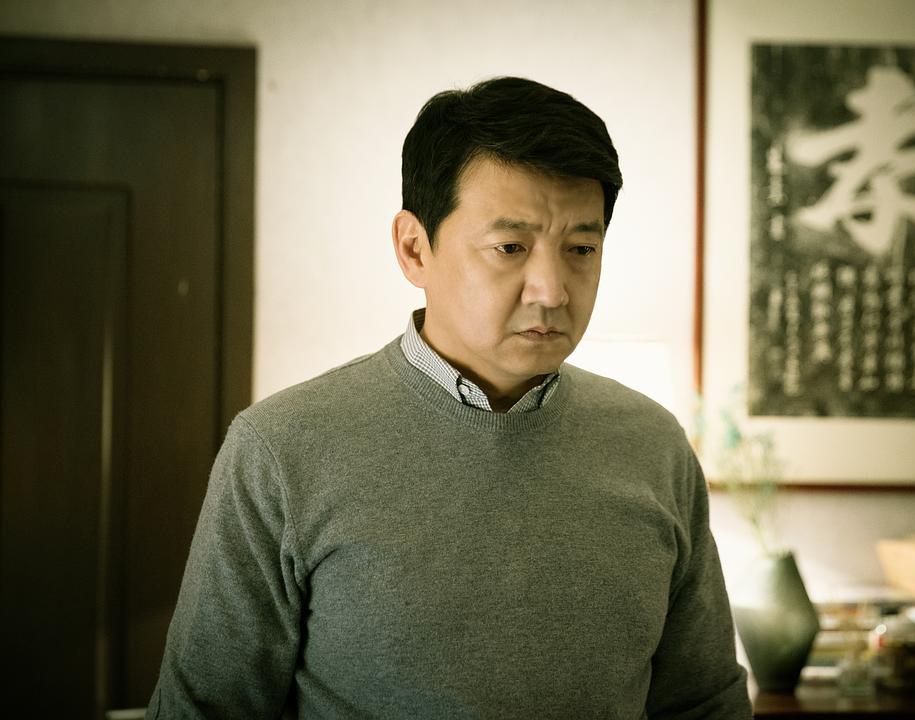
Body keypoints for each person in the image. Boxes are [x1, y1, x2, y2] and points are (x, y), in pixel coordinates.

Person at [148, 76, 751, 719]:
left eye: (581, 248)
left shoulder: (654, 446)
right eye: (510, 247)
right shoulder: (280, 449)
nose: (551, 290)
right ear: (414, 248)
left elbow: (704, 704)